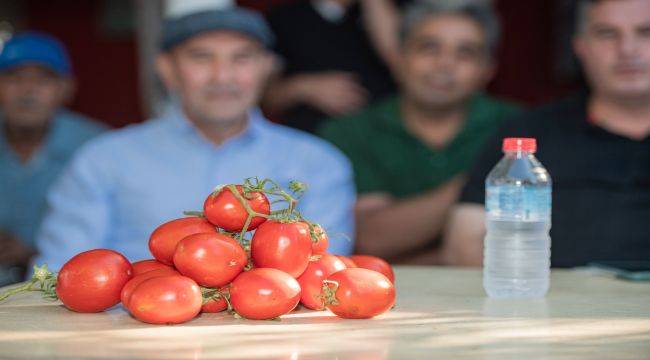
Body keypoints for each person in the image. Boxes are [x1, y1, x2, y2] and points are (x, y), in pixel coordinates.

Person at [32, 6, 355, 271]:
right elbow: (62, 270)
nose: (222, 77)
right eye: (201, 57)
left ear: (265, 67)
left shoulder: (318, 162)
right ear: (167, 69)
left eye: (241, 58)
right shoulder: (103, 160)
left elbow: (319, 272)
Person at [442, 0, 650, 267]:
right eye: (607, 34)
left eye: (645, 32)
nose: (627, 50)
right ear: (580, 47)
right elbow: (463, 243)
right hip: (548, 304)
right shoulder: (527, 137)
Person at [318, 0, 519, 263]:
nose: (444, 64)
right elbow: (372, 238)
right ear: (398, 58)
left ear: (488, 70)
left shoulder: (522, 126)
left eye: (466, 53)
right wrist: (480, 181)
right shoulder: (349, 132)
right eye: (428, 48)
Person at [0, 32, 106, 282]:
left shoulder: (98, 147)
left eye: (44, 79)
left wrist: (34, 253)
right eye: (14, 77)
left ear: (66, 89)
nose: (28, 90)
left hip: (69, 289)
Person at [262, 0, 402, 133]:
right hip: (313, 137)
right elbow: (267, 98)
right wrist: (304, 87)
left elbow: (398, 58)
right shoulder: (285, 17)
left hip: (383, 135)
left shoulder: (391, 12)